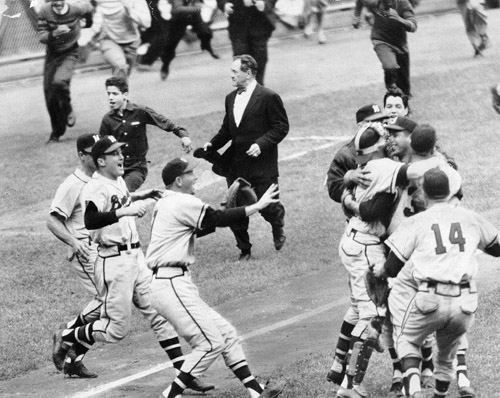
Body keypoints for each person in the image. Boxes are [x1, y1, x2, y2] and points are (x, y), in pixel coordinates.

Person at [51, 136, 213, 392]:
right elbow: (92, 220)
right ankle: (67, 335)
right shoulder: (94, 186)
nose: (121, 157)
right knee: (116, 330)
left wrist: (141, 196)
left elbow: (119, 201)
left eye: (121, 153)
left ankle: (184, 375)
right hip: (113, 262)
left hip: (136, 259)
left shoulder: (115, 181)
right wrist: (124, 212)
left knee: (160, 314)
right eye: (115, 154)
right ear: (101, 160)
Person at [146, 157, 286, 398]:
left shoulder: (168, 202)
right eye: (191, 173)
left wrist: (227, 211)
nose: (196, 177)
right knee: (210, 343)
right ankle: (171, 394)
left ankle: (255, 390)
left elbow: (206, 225)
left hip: (171, 282)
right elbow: (216, 220)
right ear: (179, 180)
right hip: (170, 283)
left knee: (226, 334)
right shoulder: (181, 201)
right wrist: (255, 207)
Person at [377, 168, 500, 398]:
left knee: (406, 340)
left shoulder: (418, 221)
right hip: (465, 303)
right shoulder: (470, 217)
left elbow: (392, 267)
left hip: (430, 300)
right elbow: (496, 248)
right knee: (447, 355)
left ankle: (414, 390)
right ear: (449, 190)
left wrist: (379, 270)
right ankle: (440, 394)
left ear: (424, 192)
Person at [202, 55, 289, 260]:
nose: (231, 75)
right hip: (236, 165)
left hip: (262, 165)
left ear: (248, 73)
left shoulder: (268, 96)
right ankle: (244, 249)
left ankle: (277, 227)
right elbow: (227, 130)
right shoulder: (230, 98)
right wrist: (212, 144)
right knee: (236, 208)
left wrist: (261, 144)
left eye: (235, 72)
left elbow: (281, 127)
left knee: (269, 207)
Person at [48, 134, 101, 378]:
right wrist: (73, 241)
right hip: (85, 252)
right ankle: (66, 335)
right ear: (81, 155)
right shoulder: (72, 184)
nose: (99, 155)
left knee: (110, 306)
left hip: (104, 251)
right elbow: (52, 220)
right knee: (107, 303)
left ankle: (73, 358)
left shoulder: (101, 178)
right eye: (93, 152)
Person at [99, 76, 192, 192]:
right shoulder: (107, 120)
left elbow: (164, 122)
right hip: (114, 169)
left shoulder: (140, 111)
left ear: (125, 95)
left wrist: (183, 135)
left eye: (115, 94)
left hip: (136, 168)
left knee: (123, 192)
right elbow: (101, 148)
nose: (111, 98)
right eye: (108, 94)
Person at [37, 0, 94, 143]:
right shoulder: (44, 11)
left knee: (59, 81)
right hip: (52, 54)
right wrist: (53, 34)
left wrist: (87, 23)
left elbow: (89, 8)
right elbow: (42, 36)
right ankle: (56, 133)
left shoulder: (76, 8)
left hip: (70, 52)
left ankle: (67, 107)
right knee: (50, 95)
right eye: (53, 1)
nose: (57, 3)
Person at [136, 0, 219, 81]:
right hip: (170, 15)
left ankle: (206, 44)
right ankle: (164, 66)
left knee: (204, 30)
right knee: (170, 44)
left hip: (187, 13)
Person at [362, 0, 417, 96]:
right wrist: (357, 15)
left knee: (404, 87)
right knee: (390, 66)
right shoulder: (374, 3)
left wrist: (398, 19)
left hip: (400, 45)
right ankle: (391, 89)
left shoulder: (403, 4)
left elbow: (413, 27)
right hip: (380, 40)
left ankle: (404, 103)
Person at [217, 0, 278, 85]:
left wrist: (265, 3)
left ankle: (258, 86)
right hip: (237, 20)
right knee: (240, 55)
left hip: (259, 20)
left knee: (260, 54)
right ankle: (244, 87)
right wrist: (224, 5)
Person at [86, 0, 151, 78]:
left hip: (131, 42)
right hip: (108, 39)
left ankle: (118, 86)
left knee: (124, 74)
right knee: (120, 66)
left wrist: (130, 11)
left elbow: (147, 23)